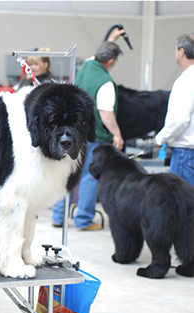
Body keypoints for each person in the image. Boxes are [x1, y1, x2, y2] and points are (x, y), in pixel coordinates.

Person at [51, 28, 127, 230]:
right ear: (111, 62)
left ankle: (58, 217)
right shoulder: (106, 83)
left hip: (75, 134)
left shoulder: (85, 66)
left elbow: (100, 53)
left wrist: (111, 39)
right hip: (96, 136)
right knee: (89, 176)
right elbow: (106, 113)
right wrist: (118, 135)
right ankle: (84, 220)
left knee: (66, 174)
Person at [154, 34, 194, 188]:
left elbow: (180, 120)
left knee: (184, 208)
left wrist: (160, 139)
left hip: (186, 155)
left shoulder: (185, 81)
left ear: (182, 51)